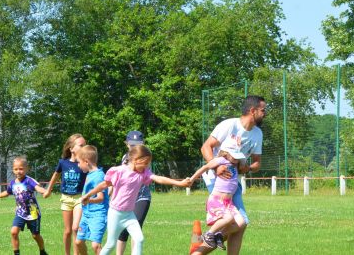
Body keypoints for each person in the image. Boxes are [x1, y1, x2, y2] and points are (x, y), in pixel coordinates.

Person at [80, 145, 192, 255]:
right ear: (135, 160)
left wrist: (179, 183)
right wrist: (88, 195)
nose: (147, 166)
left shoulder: (144, 173)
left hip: (129, 215)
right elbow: (104, 185)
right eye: (145, 162)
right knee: (110, 244)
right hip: (115, 213)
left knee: (139, 239)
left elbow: (159, 178)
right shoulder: (119, 171)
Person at [194, 95, 266, 255]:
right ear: (252, 111)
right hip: (217, 179)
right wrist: (216, 167)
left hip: (234, 181)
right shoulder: (229, 125)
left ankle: (200, 246)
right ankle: (198, 250)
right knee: (237, 222)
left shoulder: (257, 134)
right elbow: (205, 147)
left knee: (241, 224)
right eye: (263, 110)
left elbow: (257, 163)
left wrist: (247, 169)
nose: (265, 114)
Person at [189, 147, 247, 250]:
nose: (236, 159)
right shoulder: (221, 160)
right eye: (234, 156)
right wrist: (192, 179)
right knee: (228, 218)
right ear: (226, 154)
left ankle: (217, 235)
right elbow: (205, 168)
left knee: (241, 223)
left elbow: (245, 166)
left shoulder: (236, 163)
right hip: (217, 200)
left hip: (228, 203)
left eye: (238, 157)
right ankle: (209, 234)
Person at [0, 157, 50, 255]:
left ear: (26, 169)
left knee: (35, 235)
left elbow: (38, 188)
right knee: (14, 232)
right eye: (16, 169)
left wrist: (45, 192)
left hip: (33, 213)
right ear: (13, 170)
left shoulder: (29, 181)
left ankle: (42, 251)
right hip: (20, 213)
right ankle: (16, 253)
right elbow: (7, 192)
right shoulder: (12, 183)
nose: (18, 171)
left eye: (21, 169)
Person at [43, 134, 88, 255]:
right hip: (66, 198)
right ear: (71, 148)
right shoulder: (63, 162)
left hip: (79, 198)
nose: (84, 147)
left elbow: (91, 177)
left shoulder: (84, 163)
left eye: (85, 145)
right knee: (68, 230)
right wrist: (48, 190)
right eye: (81, 145)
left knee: (75, 228)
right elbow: (55, 175)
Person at [116, 130, 151, 255]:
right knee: (123, 230)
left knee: (136, 227)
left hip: (142, 196)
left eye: (137, 144)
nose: (134, 147)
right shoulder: (124, 158)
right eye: (132, 145)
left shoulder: (146, 158)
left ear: (143, 144)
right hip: (127, 198)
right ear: (126, 144)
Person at [74, 145, 109, 255]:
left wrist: (87, 200)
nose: (78, 166)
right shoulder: (90, 174)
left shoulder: (99, 176)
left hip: (98, 215)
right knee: (78, 242)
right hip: (86, 214)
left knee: (95, 245)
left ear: (86, 161)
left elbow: (100, 198)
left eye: (79, 162)